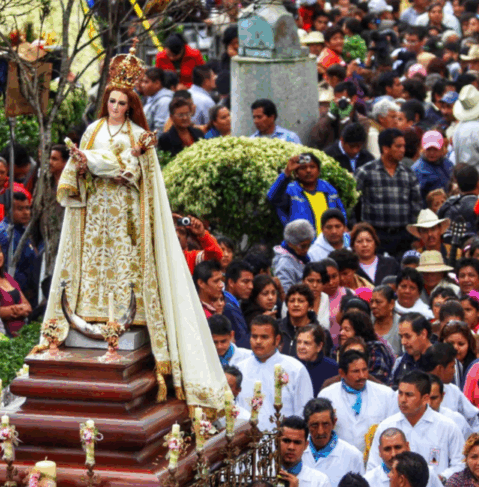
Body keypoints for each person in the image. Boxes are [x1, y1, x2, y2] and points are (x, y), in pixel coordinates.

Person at [39, 49, 228, 412]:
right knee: (93, 263)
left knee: (123, 264)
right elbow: (75, 176)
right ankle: (88, 312)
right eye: (110, 100)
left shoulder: (141, 136)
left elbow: (145, 178)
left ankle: (126, 315)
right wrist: (80, 164)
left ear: (130, 105)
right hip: (94, 215)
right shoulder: (92, 130)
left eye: (121, 102)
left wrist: (124, 167)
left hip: (125, 216)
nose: (114, 106)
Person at [368, 371, 464, 478]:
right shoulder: (386, 426)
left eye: (409, 395)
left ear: (425, 399)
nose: (403, 400)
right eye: (400, 393)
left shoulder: (447, 427)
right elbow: (373, 467)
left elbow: (460, 465)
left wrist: (440, 478)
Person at [354, 128, 424, 256]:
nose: (403, 150)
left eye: (404, 146)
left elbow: (416, 207)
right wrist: (355, 228)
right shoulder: (365, 172)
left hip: (403, 237)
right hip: (375, 236)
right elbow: (351, 202)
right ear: (385, 148)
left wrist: (415, 236)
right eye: (398, 146)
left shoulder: (408, 174)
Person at [237, 315, 313, 432]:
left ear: (277, 340)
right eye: (254, 336)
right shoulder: (239, 369)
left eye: (264, 337)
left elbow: (304, 411)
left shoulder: (295, 369)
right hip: (246, 443)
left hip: (283, 442)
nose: (258, 341)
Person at [317, 350, 398, 454]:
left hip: (374, 460)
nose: (362, 376)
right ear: (342, 373)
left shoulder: (386, 394)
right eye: (356, 371)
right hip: (338, 458)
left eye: (364, 370)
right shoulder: (326, 395)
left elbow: (393, 430)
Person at [268, 152, 347, 230]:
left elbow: (341, 214)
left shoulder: (329, 189)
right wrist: (286, 173)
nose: (308, 170)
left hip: (328, 241)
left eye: (312, 167)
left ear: (319, 171)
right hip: (300, 241)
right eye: (303, 168)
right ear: (296, 173)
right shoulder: (291, 190)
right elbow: (272, 197)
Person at [301, 398, 364, 487]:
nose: (320, 431)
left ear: (334, 423)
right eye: (314, 425)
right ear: (306, 425)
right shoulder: (297, 451)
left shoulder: (353, 456)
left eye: (325, 424)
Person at [413, 131, 454, 199]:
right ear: (423, 149)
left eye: (435, 149)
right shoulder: (417, 170)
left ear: (442, 149)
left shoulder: (448, 164)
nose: (432, 153)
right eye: (428, 149)